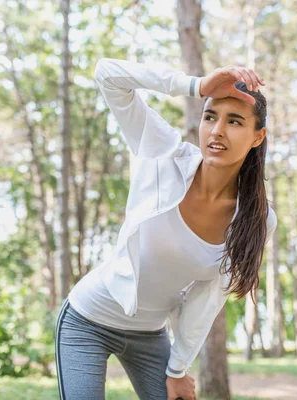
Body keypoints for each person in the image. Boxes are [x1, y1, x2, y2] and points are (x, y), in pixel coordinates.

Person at [54, 57, 277, 400]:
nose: (217, 131)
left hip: (150, 334)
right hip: (88, 320)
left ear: (257, 136)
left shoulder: (254, 218)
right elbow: (107, 75)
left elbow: (207, 299)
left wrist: (177, 369)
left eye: (234, 122)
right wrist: (196, 85)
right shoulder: (164, 154)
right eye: (209, 116)